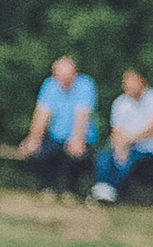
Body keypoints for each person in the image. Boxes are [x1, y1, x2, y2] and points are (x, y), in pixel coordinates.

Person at [20, 52, 97, 196]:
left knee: (76, 153)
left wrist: (77, 139)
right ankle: (47, 188)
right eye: (58, 75)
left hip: (81, 137)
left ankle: (71, 190)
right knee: (35, 151)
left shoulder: (85, 85)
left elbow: (82, 115)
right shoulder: (50, 85)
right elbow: (41, 114)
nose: (61, 79)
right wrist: (34, 138)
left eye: (65, 75)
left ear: (74, 73)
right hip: (56, 136)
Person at [94, 64, 153, 205]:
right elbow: (116, 131)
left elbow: (152, 129)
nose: (126, 85)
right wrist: (119, 148)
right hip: (125, 147)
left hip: (150, 152)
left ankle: (113, 193)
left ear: (141, 81)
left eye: (130, 81)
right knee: (105, 158)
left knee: (130, 163)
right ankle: (103, 192)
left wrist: (128, 141)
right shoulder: (120, 103)